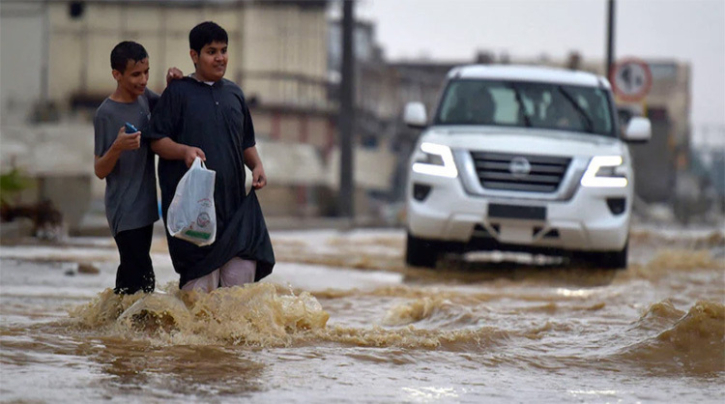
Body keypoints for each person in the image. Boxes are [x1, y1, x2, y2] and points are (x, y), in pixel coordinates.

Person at [146, 21, 275, 292]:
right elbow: (156, 141)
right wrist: (183, 151)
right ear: (194, 56)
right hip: (195, 215)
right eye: (211, 51)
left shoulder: (235, 94)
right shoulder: (178, 92)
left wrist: (257, 165)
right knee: (197, 303)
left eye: (224, 50)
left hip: (234, 213)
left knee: (238, 302)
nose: (220, 58)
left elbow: (246, 142)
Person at [93, 41, 183, 294]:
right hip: (123, 209)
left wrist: (171, 84)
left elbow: (169, 109)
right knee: (143, 280)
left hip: (144, 207)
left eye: (146, 72)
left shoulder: (146, 99)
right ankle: (131, 327)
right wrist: (118, 146)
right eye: (135, 74)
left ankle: (110, 327)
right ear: (116, 75)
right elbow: (100, 170)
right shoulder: (106, 113)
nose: (143, 80)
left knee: (130, 276)